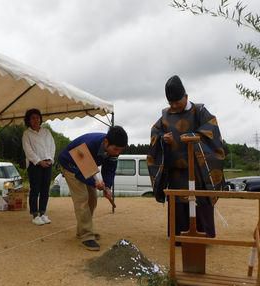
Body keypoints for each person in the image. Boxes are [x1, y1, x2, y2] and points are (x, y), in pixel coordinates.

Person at [147, 75, 225, 239]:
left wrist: (192, 138)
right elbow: (156, 132)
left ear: (186, 97)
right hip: (176, 171)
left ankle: (203, 235)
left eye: (177, 102)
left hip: (198, 171)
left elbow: (212, 131)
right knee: (178, 202)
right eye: (171, 103)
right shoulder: (165, 116)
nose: (174, 106)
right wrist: (162, 139)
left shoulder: (200, 112)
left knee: (200, 200)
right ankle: (177, 237)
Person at [58, 126, 128, 251]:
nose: (117, 152)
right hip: (70, 165)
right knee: (82, 198)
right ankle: (86, 235)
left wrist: (107, 187)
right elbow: (80, 173)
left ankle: (83, 230)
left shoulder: (113, 149)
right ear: (106, 142)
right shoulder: (89, 145)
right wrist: (95, 183)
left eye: (120, 150)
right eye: (116, 149)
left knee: (92, 199)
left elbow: (109, 169)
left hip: (85, 164)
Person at [22, 108, 55, 226]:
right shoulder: (27, 134)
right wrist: (39, 161)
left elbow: (52, 146)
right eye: (32, 118)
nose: (35, 120)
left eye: (37, 117)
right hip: (34, 165)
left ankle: (43, 213)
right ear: (28, 120)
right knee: (35, 189)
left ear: (40, 119)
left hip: (48, 163)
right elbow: (28, 150)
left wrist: (50, 159)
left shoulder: (46, 132)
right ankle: (35, 214)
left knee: (45, 190)